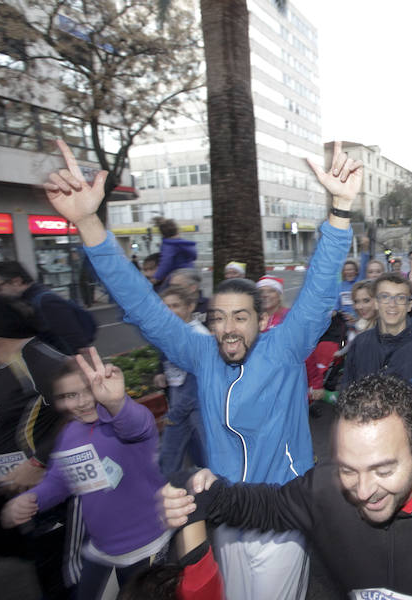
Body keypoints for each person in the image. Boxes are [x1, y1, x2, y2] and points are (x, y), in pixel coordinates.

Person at [43, 138, 362, 600]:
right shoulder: (200, 353)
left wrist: (340, 208)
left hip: (283, 514)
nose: (228, 329)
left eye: (241, 317)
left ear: (262, 320)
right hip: (226, 514)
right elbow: (141, 304)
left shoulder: (285, 348)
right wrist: (89, 223)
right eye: (218, 317)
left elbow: (317, 289)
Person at [161, 374, 412, 599]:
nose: (364, 490)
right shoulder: (324, 490)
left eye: (384, 469)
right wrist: (203, 493)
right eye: (349, 469)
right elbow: (265, 506)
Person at [1, 348, 171, 599]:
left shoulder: (124, 420)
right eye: (70, 395)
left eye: (89, 390)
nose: (80, 402)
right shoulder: (70, 434)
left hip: (147, 549)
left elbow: (137, 426)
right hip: (101, 551)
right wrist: (32, 499)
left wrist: (116, 403)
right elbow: (59, 481)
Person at [0, 295, 72, 598]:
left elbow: (80, 412)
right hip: (21, 498)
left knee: (59, 575)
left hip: (52, 501)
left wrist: (38, 463)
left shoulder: (40, 361)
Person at [340, 272, 412, 453]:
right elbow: (347, 397)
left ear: (409, 305)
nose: (392, 304)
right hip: (368, 448)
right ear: (376, 302)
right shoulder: (360, 345)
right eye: (385, 297)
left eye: (400, 298)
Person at [155, 285, 210, 477]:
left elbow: (197, 384)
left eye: (175, 305)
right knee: (169, 455)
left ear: (190, 306)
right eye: (165, 306)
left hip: (199, 406)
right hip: (180, 402)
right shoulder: (173, 331)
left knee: (211, 456)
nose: (169, 311)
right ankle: (168, 495)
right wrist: (161, 372)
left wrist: (175, 413)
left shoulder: (196, 337)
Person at [0, 260, 96, 355]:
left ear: (16, 281)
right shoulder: (25, 301)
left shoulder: (45, 301)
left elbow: (77, 342)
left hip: (64, 368)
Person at [151, 217, 197, 286]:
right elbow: (194, 256)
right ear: (177, 231)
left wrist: (156, 278)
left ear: (162, 234)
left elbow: (165, 263)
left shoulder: (168, 245)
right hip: (191, 272)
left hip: (177, 275)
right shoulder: (186, 244)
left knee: (163, 293)